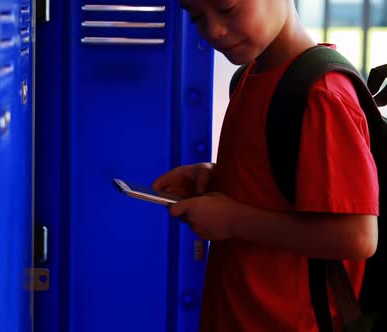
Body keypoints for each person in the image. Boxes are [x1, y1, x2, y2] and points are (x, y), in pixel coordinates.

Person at [152, 0, 379, 331]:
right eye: (198, 16)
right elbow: (279, 185)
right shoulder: (250, 77)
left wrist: (233, 220)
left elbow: (356, 237)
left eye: (227, 9)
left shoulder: (322, 95)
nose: (212, 30)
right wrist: (216, 177)